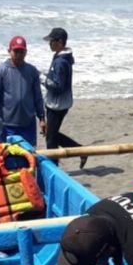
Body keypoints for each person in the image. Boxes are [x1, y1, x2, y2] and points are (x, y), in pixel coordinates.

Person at [0, 35, 46, 146]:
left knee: (29, 155)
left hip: (28, 124)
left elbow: (37, 96)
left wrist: (42, 118)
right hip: (8, 125)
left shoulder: (32, 71)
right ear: (9, 51)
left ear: (26, 52)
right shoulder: (0, 71)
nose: (19, 55)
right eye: (16, 51)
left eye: (22, 51)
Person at [42, 27, 86, 168]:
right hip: (60, 103)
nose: (49, 44)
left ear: (60, 42)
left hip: (57, 105)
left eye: (51, 41)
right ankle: (80, 151)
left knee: (51, 139)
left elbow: (58, 87)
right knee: (51, 134)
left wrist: (41, 79)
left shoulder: (61, 61)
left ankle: (54, 166)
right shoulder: (61, 57)